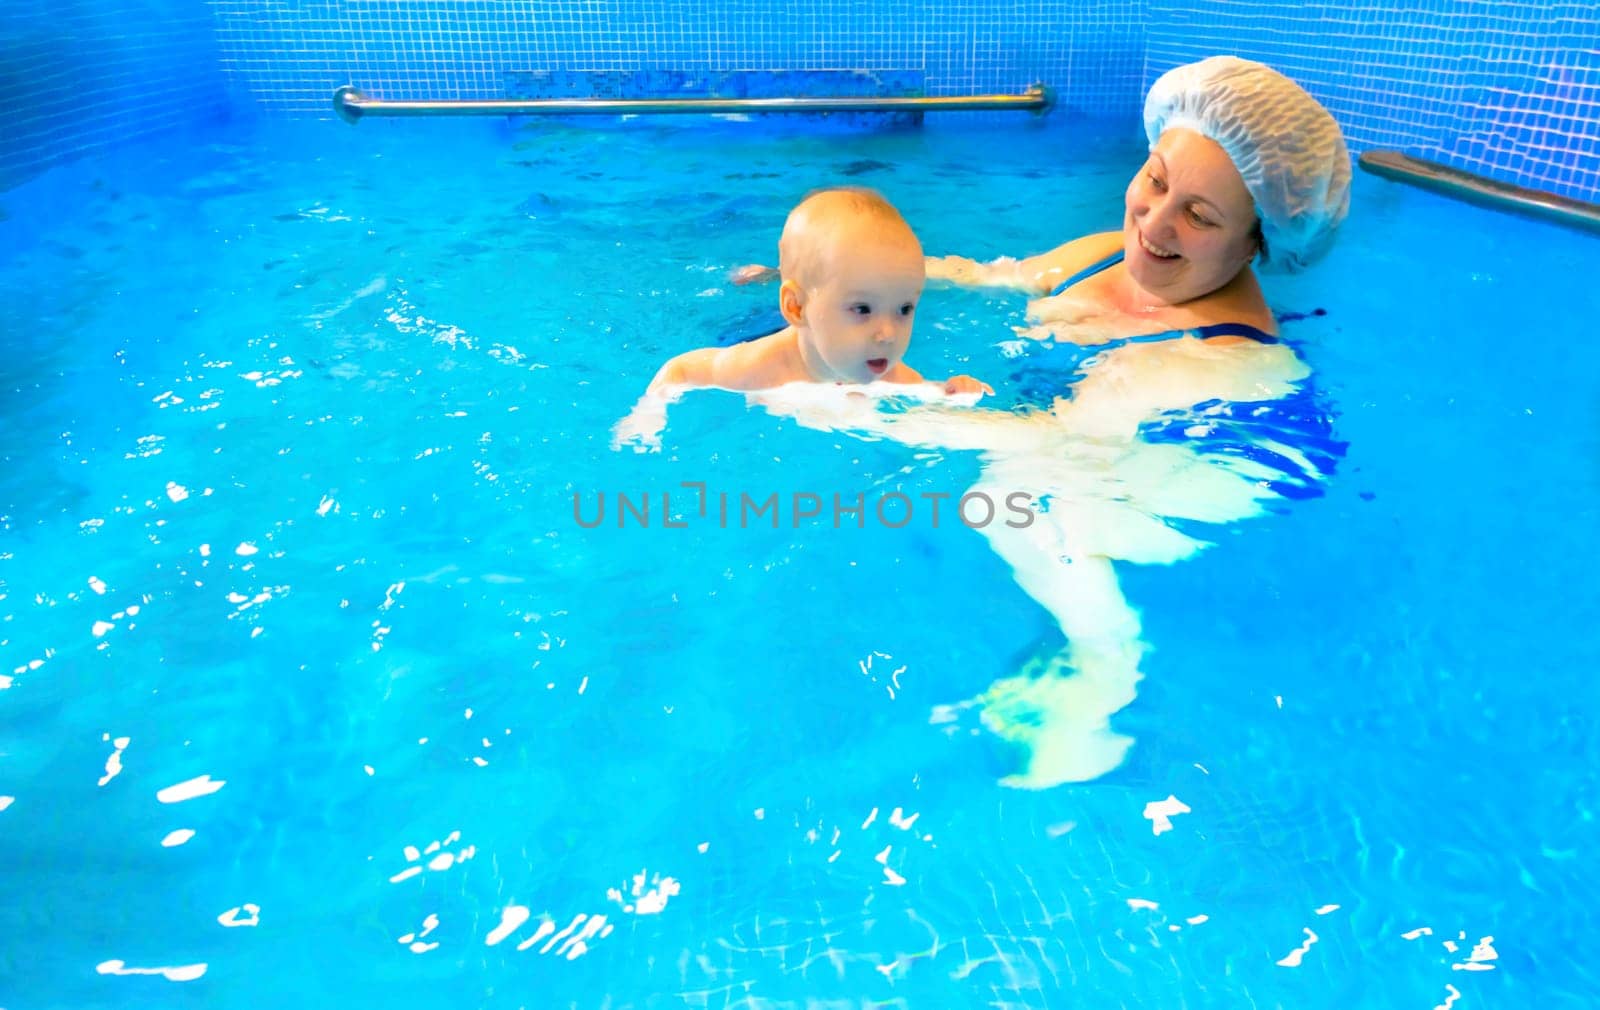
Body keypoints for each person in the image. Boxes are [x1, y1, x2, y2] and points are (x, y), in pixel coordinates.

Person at [754, 58, 1353, 788]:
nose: (1154, 223)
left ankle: (1103, 665)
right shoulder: (1113, 253)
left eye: (1200, 215)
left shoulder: (1206, 357)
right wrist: (831, 280)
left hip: (1234, 453)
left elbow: (1053, 442)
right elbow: (995, 274)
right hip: (1101, 423)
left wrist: (871, 410)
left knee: (1013, 491)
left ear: (1255, 244)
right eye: (1157, 180)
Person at [646, 187, 991, 395]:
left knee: (824, 284)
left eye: (904, 309)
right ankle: (770, 276)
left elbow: (927, 396)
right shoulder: (758, 367)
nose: (888, 334)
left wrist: (951, 389)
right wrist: (649, 414)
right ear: (795, 308)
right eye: (863, 309)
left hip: (817, 318)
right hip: (766, 330)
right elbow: (682, 369)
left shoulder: (891, 372)